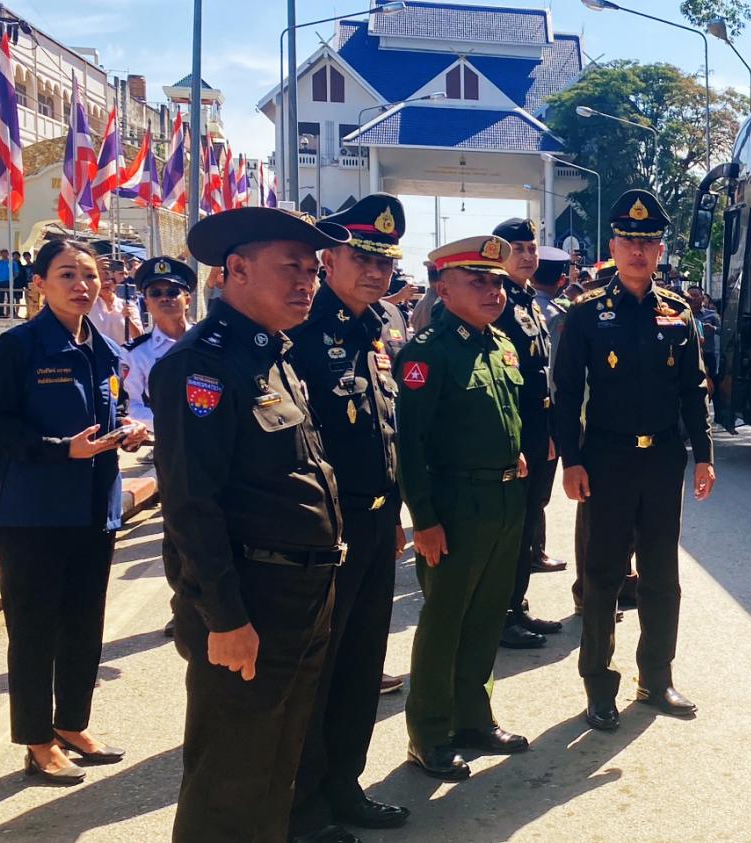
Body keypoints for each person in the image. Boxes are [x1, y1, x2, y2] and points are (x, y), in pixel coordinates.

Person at [151, 207, 350, 842]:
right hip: (251, 601)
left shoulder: (274, 356)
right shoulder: (202, 367)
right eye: (290, 265)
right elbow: (191, 505)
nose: (308, 281)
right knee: (229, 776)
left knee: (277, 762)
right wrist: (226, 617)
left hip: (302, 594)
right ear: (235, 269)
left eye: (314, 269)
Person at [0, 240, 150, 785]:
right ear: (38, 284)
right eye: (66, 274)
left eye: (89, 275)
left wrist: (126, 431)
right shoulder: (18, 347)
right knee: (34, 629)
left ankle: (72, 724)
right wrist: (62, 449)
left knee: (84, 623)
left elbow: (114, 405)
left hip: (93, 509)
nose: (82, 284)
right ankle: (36, 739)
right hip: (34, 512)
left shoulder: (101, 348)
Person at [553, 190, 715, 731]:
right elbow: (567, 391)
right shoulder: (586, 315)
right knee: (602, 577)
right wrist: (571, 461)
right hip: (607, 460)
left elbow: (694, 388)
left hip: (663, 459)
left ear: (660, 247)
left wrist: (704, 455)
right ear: (613, 246)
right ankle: (599, 685)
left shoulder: (679, 313)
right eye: (629, 241)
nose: (638, 251)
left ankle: (656, 677)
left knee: (661, 573)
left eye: (648, 242)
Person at [286, 195, 413, 842]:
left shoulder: (382, 326)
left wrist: (394, 513)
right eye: (362, 257)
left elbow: (385, 435)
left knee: (363, 665)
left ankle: (346, 784)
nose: (375, 271)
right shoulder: (303, 332)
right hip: (323, 535)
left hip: (373, 525)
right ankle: (304, 810)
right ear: (328, 258)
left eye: (384, 260)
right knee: (320, 672)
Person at [396, 234, 530, 781]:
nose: (492, 290)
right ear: (443, 287)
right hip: (454, 504)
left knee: (486, 616)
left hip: (504, 498)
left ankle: (474, 717)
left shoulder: (500, 344)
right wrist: (423, 520)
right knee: (444, 621)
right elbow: (411, 446)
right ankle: (429, 733)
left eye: (497, 280)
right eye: (478, 280)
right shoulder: (426, 353)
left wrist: (515, 453)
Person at [491, 218, 564, 651]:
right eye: (516, 248)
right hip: (511, 433)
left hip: (538, 430)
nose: (527, 256)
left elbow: (542, 375)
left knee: (527, 524)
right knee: (510, 530)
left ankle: (516, 607)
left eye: (531, 248)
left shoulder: (528, 302)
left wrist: (552, 432)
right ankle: (501, 616)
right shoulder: (495, 300)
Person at [123, 257, 196, 433]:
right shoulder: (135, 354)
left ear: (187, 300)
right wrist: (175, 424)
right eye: (155, 293)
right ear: (146, 303)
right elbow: (132, 404)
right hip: (168, 443)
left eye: (172, 292)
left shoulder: (209, 343)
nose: (164, 298)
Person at [88, 258, 142, 349]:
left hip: (123, 358)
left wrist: (129, 320)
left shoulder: (128, 305)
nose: (106, 283)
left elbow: (139, 337)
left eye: (109, 280)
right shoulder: (88, 305)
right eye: (101, 280)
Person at [0, 248, 13, 316]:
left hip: (9, 282)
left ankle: (10, 313)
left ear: (8, 254)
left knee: (10, 298)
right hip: (0, 282)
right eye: (2, 253)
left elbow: (16, 272)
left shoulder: (12, 262)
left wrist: (12, 279)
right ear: (0, 254)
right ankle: (1, 314)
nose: (4, 254)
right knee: (0, 299)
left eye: (5, 253)